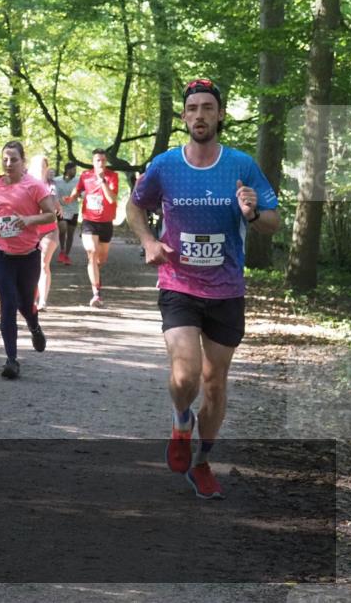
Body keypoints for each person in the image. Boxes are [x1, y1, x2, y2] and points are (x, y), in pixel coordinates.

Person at [127, 78, 280, 500]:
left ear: (219, 116)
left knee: (214, 384)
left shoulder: (241, 165)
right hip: (178, 284)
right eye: (192, 108)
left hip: (227, 289)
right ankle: (181, 421)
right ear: (183, 117)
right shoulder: (165, 166)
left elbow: (273, 220)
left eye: (207, 108)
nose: (199, 115)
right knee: (185, 374)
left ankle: (203, 462)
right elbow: (135, 205)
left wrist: (251, 214)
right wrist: (148, 242)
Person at [0, 142, 57, 379]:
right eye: (5, 159)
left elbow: (50, 214)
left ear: (23, 161)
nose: (9, 163)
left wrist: (29, 220)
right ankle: (11, 359)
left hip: (28, 256)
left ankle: (34, 325)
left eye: (14, 159)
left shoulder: (34, 186)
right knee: (8, 302)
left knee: (25, 303)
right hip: (1, 253)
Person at [64, 149, 119, 307]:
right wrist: (71, 197)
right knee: (92, 253)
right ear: (93, 162)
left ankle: (96, 278)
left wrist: (102, 182)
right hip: (89, 221)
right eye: (97, 160)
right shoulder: (86, 176)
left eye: (103, 160)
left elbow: (111, 199)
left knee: (101, 259)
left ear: (106, 162)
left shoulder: (112, 176)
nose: (100, 163)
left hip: (106, 222)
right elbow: (78, 189)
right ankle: (96, 294)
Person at [28, 154, 60, 311]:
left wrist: (57, 206)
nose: (39, 169)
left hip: (49, 230)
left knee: (42, 263)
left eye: (42, 166)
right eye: (36, 165)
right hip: (30, 231)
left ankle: (42, 301)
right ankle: (30, 298)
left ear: (47, 168)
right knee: (30, 265)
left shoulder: (51, 185)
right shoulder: (23, 183)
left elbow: (53, 204)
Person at [53, 161, 80, 264]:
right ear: (67, 170)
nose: (75, 171)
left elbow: (82, 193)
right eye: (73, 169)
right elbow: (52, 192)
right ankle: (62, 250)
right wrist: (59, 200)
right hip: (61, 209)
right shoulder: (57, 180)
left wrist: (74, 196)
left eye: (75, 169)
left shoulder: (78, 180)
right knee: (62, 228)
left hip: (73, 210)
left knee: (70, 234)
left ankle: (66, 255)